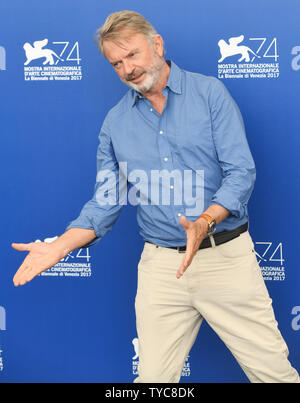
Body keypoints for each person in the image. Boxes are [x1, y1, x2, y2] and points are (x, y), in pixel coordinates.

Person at [12, 10, 299, 383]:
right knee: (151, 382)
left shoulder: (209, 93)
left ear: (157, 44)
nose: (127, 68)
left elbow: (240, 171)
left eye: (132, 54)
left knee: (274, 375)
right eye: (117, 63)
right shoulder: (115, 123)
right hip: (161, 270)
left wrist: (205, 221)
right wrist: (60, 246)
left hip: (225, 259)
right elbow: (104, 201)